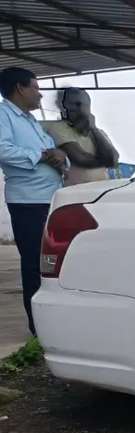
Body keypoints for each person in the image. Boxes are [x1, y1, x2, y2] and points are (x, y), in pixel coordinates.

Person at [0, 67, 65, 337]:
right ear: (20, 88)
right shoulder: (4, 116)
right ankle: (38, 328)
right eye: (36, 88)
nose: (40, 94)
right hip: (28, 201)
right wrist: (41, 154)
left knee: (53, 263)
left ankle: (54, 319)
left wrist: (61, 157)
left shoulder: (29, 120)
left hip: (50, 198)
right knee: (34, 264)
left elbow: (54, 151)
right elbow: (3, 150)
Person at [43, 87, 118, 186]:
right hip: (77, 192)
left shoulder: (98, 132)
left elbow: (113, 159)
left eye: (81, 104)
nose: (77, 109)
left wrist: (93, 129)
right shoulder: (58, 128)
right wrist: (106, 161)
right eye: (72, 104)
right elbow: (82, 159)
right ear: (64, 106)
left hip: (101, 189)